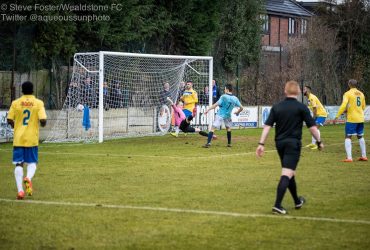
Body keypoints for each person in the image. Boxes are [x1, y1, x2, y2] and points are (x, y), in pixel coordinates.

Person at [256, 80, 323, 215]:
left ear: (285, 91)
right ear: (298, 92)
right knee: (287, 173)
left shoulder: (277, 107)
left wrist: (261, 144)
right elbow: (313, 128)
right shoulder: (301, 107)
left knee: (290, 172)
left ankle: (297, 201)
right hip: (293, 144)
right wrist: (319, 141)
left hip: (279, 144)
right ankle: (277, 205)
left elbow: (267, 126)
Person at [7, 81, 47, 200]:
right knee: (32, 163)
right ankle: (28, 178)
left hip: (18, 138)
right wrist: (42, 124)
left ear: (22, 91)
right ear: (33, 90)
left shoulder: (15, 103)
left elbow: (9, 119)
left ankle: (20, 191)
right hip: (32, 138)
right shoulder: (38, 103)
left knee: (19, 163)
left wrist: (15, 126)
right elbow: (43, 120)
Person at [334, 79, 367, 162]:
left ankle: (349, 158)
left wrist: (337, 116)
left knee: (348, 136)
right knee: (360, 136)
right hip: (360, 118)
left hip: (352, 119)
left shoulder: (347, 93)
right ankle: (364, 156)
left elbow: (343, 105)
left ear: (349, 84)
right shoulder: (361, 94)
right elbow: (363, 107)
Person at [203, 84, 243, 148]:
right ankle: (229, 143)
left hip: (220, 115)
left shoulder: (224, 96)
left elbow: (215, 105)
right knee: (228, 128)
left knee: (213, 128)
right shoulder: (235, 98)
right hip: (228, 115)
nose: (224, 90)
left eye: (224, 89)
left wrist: (208, 109)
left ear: (227, 90)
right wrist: (237, 112)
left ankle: (208, 143)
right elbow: (241, 108)